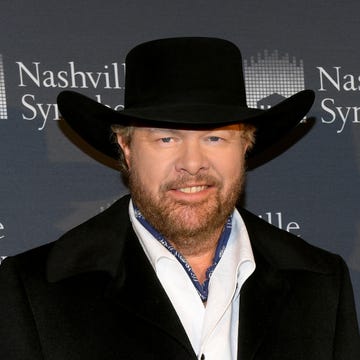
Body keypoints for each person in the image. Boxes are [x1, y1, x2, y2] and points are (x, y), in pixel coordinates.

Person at [0, 37, 359, 360]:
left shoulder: (320, 283)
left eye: (215, 138)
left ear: (246, 146)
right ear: (126, 148)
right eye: (166, 139)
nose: (192, 164)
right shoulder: (36, 291)